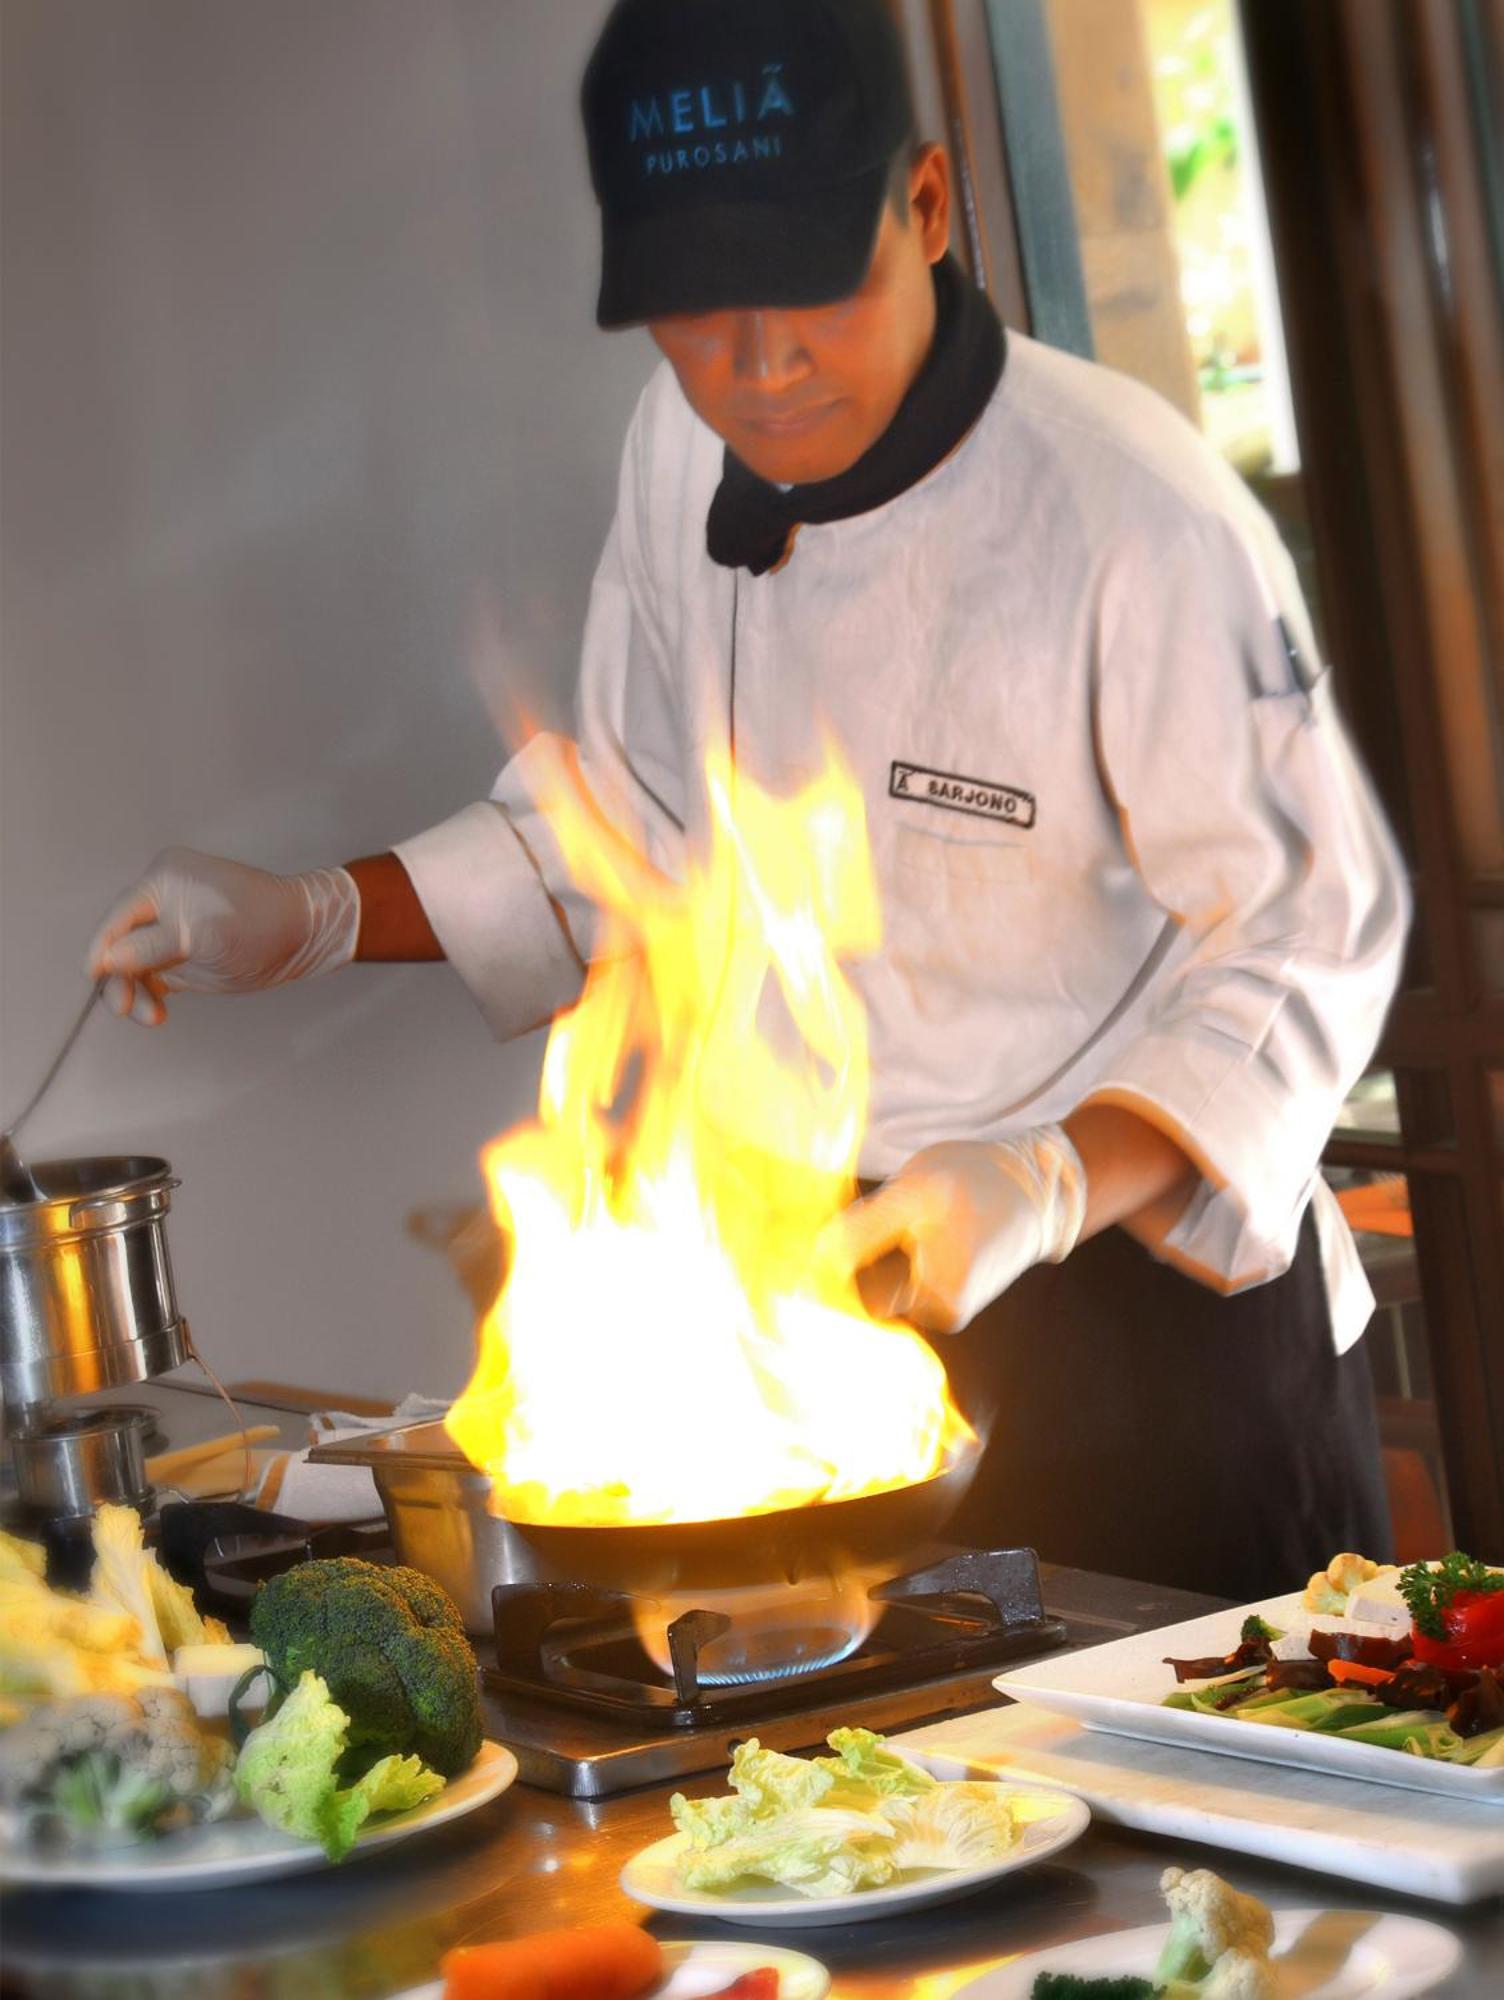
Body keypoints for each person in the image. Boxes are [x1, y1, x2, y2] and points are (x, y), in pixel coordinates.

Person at [88, 0, 1408, 1600]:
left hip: (1144, 1330)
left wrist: (1042, 1176)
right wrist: (304, 919)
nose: (762, 366)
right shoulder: (680, 449)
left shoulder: (1134, 517)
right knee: (863, 1828)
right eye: (700, 315)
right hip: (833, 1314)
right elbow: (633, 831)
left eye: (812, 291)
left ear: (925, 209)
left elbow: (1304, 943)